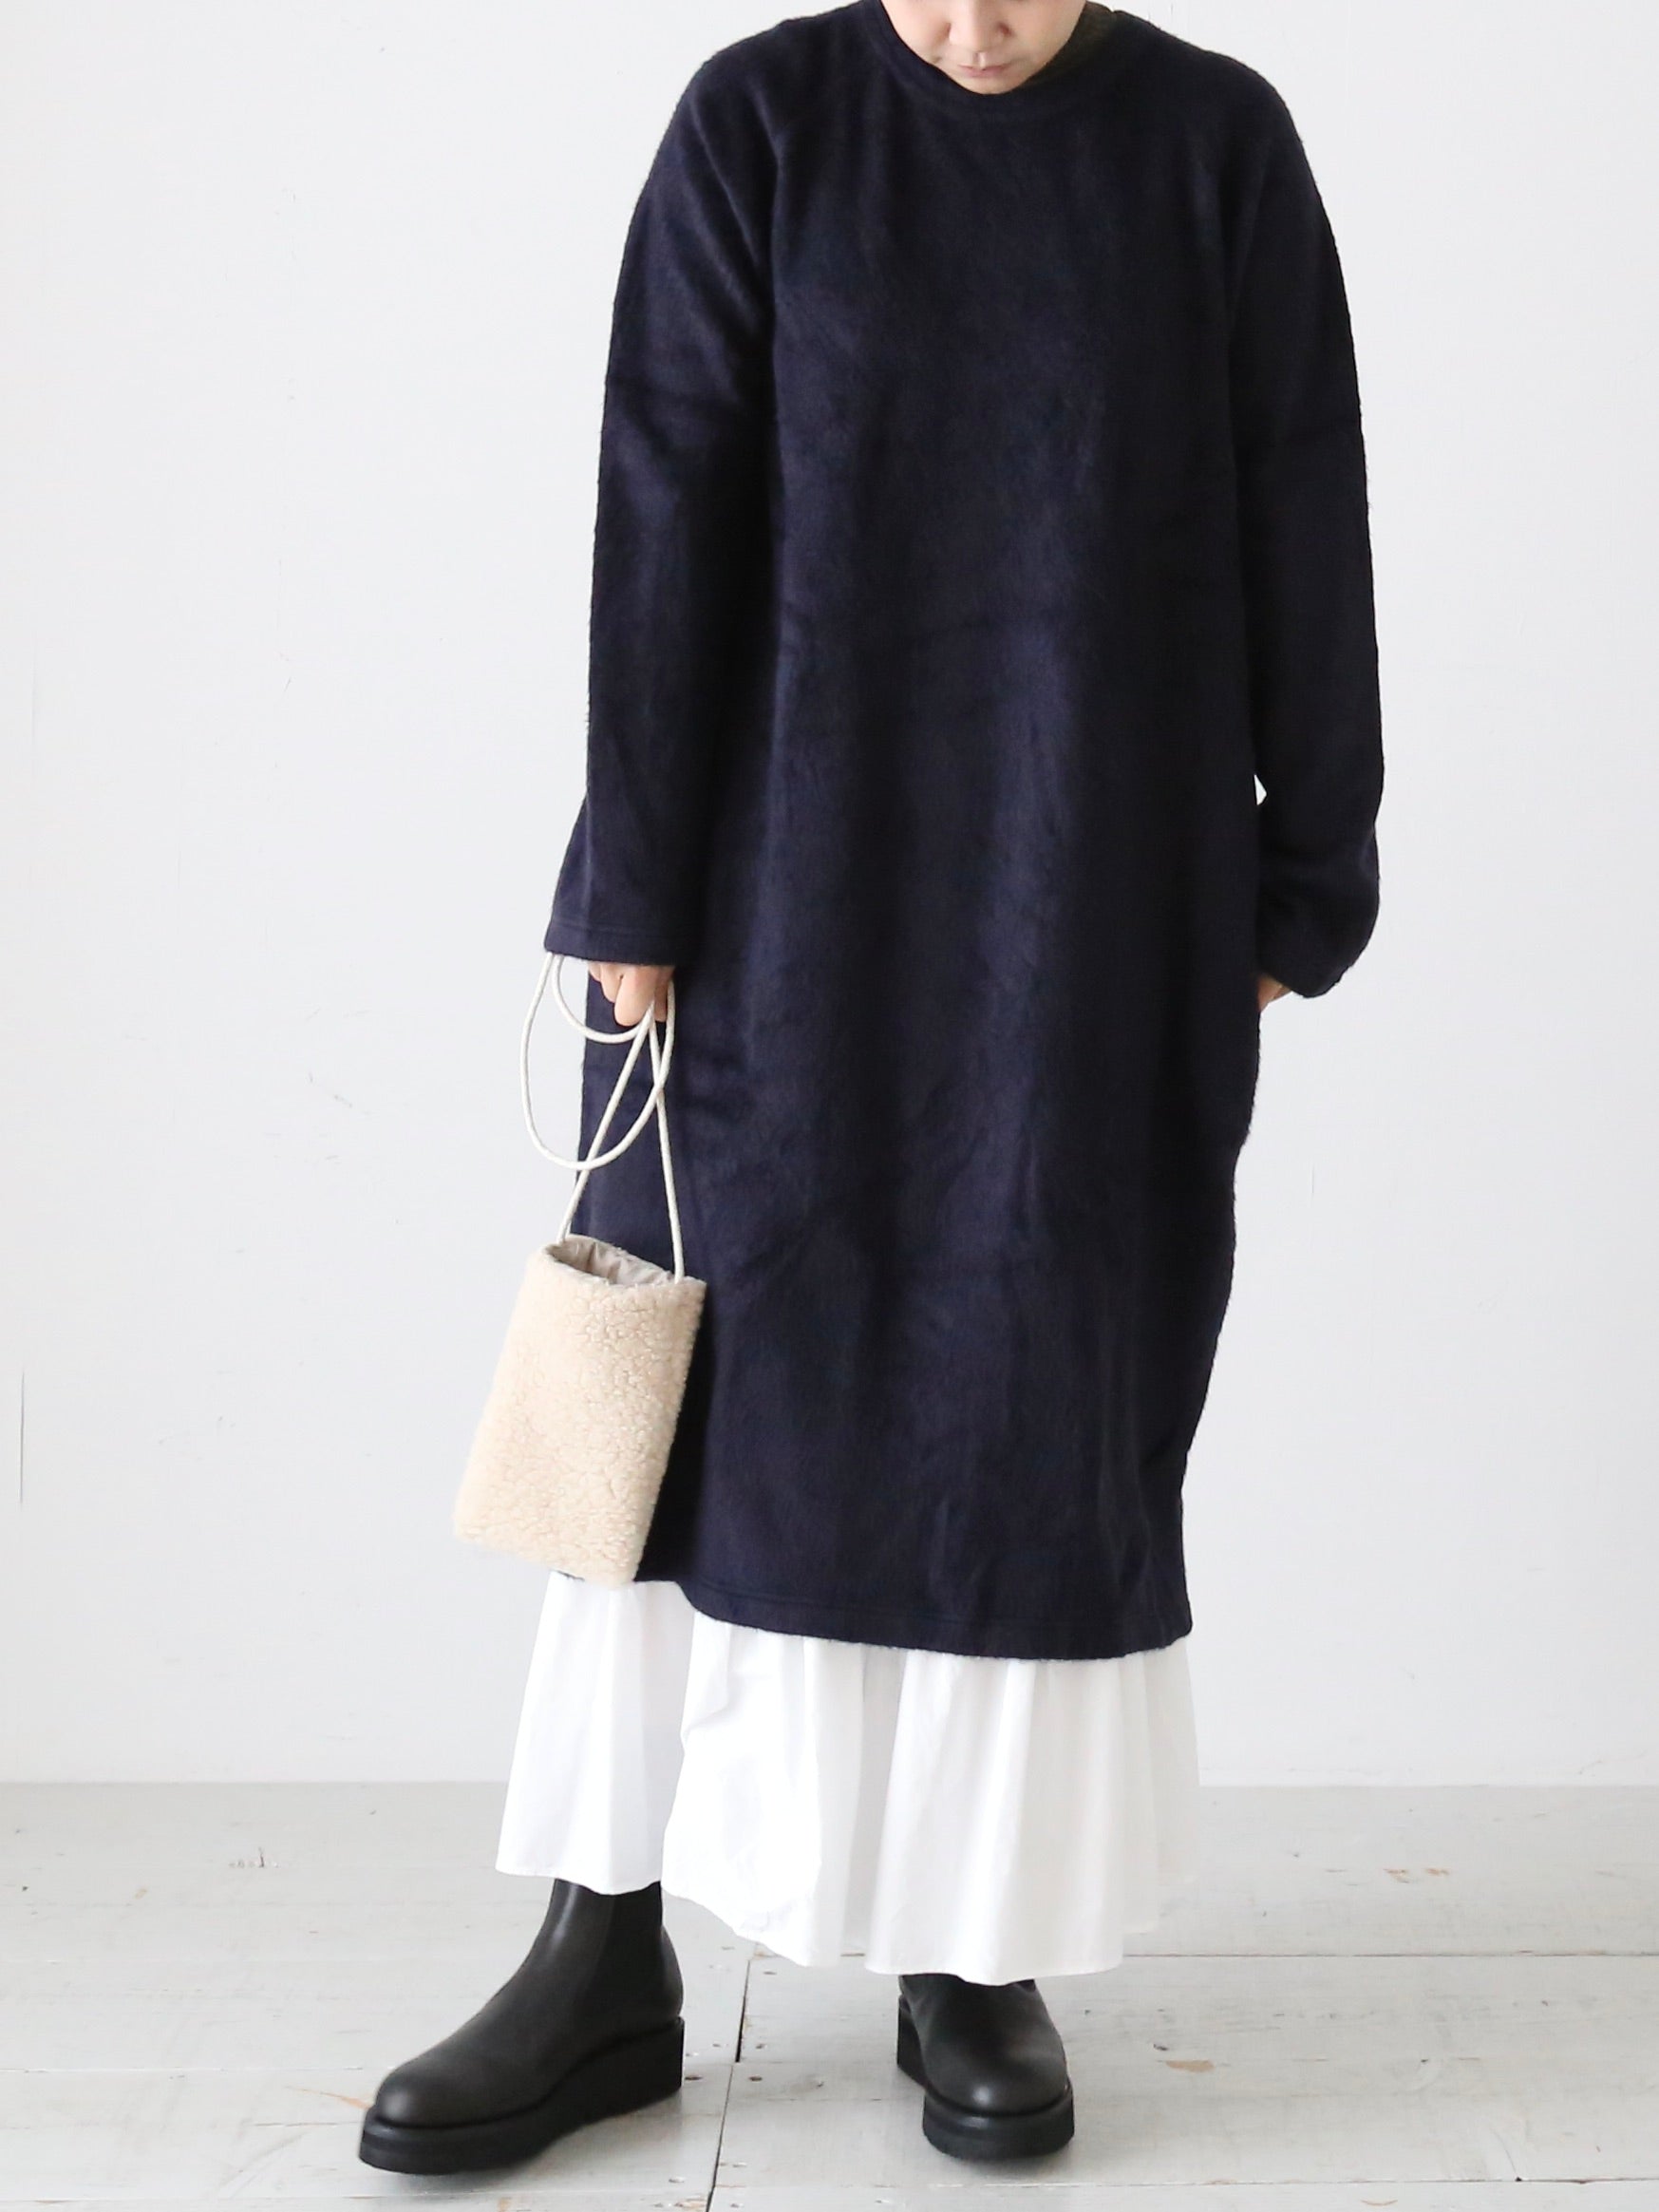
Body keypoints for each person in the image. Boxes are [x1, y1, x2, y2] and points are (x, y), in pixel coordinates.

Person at [360, 0, 1383, 2176]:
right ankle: (600, 1948)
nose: (971, 26)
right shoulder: (761, 127)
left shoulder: (1214, 149)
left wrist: (1307, 871)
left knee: (1028, 1400)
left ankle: (968, 1947)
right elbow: (665, 493)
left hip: (1090, 888)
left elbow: (1307, 498)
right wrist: (634, 874)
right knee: (691, 1404)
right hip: (768, 881)